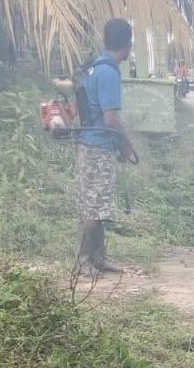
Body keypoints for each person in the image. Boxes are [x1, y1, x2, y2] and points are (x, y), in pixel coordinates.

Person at [76, 18, 135, 275]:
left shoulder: (95, 66)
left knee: (97, 205)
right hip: (98, 147)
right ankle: (84, 262)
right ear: (127, 44)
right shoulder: (108, 73)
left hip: (90, 144)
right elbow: (110, 118)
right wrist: (126, 142)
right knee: (94, 205)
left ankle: (98, 259)